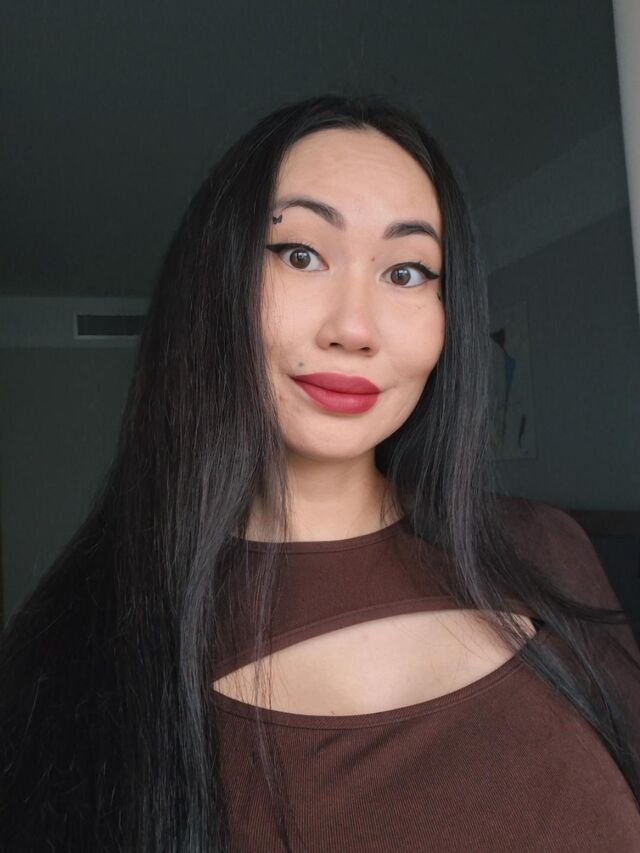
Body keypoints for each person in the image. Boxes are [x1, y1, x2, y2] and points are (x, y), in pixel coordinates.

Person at [1, 93, 639, 852]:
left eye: (406, 270)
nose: (355, 328)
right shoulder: (79, 650)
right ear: (215, 284)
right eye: (301, 254)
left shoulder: (547, 549)